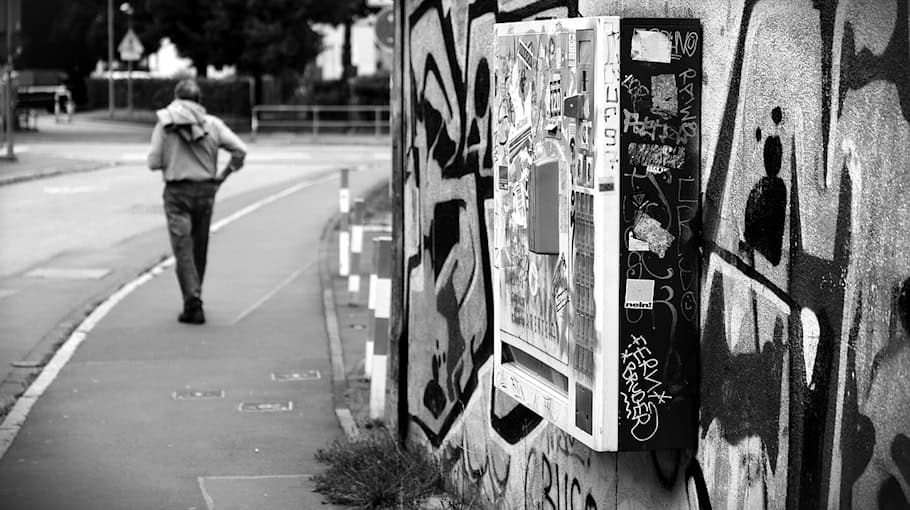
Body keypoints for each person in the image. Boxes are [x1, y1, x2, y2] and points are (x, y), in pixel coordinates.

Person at [147, 78, 247, 324]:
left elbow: (153, 162)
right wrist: (222, 176)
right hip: (205, 192)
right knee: (199, 247)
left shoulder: (165, 124)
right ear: (199, 100)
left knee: (183, 249)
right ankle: (194, 298)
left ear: (176, 97)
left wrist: (174, 154)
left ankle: (192, 301)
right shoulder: (212, 124)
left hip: (177, 193)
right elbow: (240, 150)